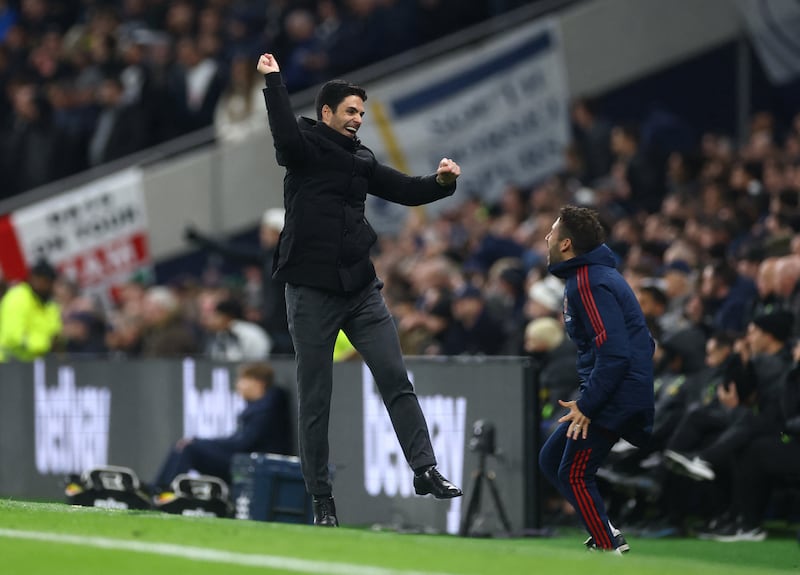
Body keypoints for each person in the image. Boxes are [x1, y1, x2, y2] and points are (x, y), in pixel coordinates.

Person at [256, 52, 463, 527]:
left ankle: (425, 469)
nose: (357, 120)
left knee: (395, 377)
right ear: (326, 113)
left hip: (360, 288)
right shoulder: (303, 148)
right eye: (349, 111)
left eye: (361, 114)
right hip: (309, 290)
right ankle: (321, 499)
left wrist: (441, 183)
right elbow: (284, 133)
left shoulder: (361, 159)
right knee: (315, 398)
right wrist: (274, 84)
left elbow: (408, 190)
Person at [538, 206, 655, 553]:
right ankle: (605, 532)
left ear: (566, 245)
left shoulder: (588, 282)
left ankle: (609, 547)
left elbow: (615, 353)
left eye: (553, 232)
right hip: (613, 389)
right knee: (552, 459)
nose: (547, 236)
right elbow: (642, 342)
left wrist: (590, 403)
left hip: (612, 395)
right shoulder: (594, 277)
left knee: (574, 474)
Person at [152, 362, 291, 492]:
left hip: (252, 466)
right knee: (180, 447)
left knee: (189, 449)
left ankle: (164, 491)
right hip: (242, 460)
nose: (238, 386)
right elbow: (237, 440)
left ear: (258, 383)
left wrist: (198, 442)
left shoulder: (268, 410)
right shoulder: (258, 407)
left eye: (242, 381)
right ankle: (156, 489)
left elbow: (243, 443)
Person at [0, 259, 62, 362]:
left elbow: (55, 334)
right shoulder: (17, 297)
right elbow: (14, 338)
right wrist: (45, 345)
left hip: (36, 365)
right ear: (34, 279)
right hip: (9, 365)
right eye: (47, 281)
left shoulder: (50, 304)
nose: (51, 286)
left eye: (52, 282)